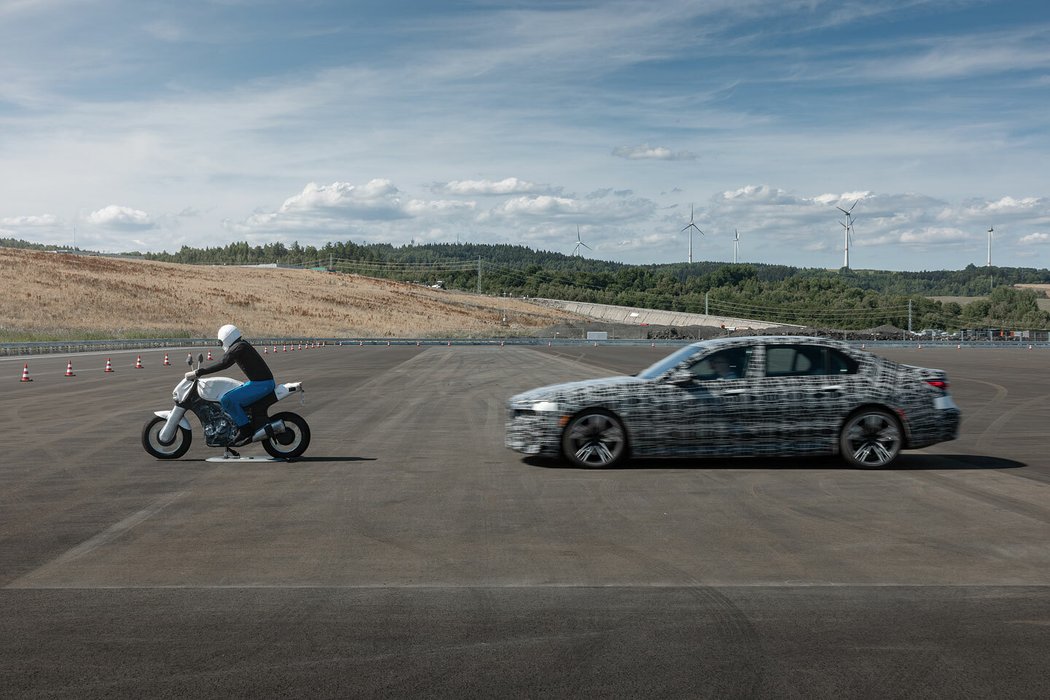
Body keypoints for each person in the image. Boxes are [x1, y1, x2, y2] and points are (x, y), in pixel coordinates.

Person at [186, 324, 275, 446]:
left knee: (227, 400)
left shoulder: (239, 347)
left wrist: (200, 372)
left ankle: (245, 430)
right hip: (260, 383)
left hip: (262, 384)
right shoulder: (241, 346)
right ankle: (239, 423)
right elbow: (225, 361)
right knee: (231, 393)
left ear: (225, 338)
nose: (220, 344)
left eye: (220, 342)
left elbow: (223, 362)